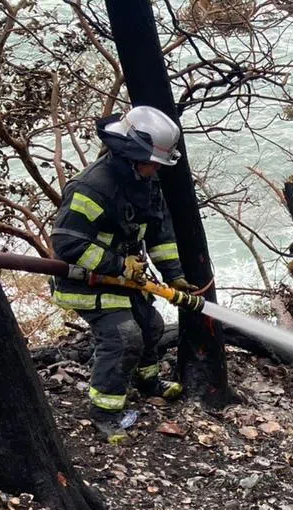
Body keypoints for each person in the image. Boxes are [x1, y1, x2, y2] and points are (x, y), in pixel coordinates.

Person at [50, 106, 196, 444]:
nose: (157, 167)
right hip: (86, 282)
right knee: (123, 337)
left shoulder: (144, 182)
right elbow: (67, 243)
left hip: (125, 279)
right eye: (153, 161)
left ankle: (147, 383)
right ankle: (105, 413)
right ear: (131, 153)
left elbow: (160, 232)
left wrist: (174, 275)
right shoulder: (92, 187)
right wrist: (117, 266)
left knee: (152, 327)